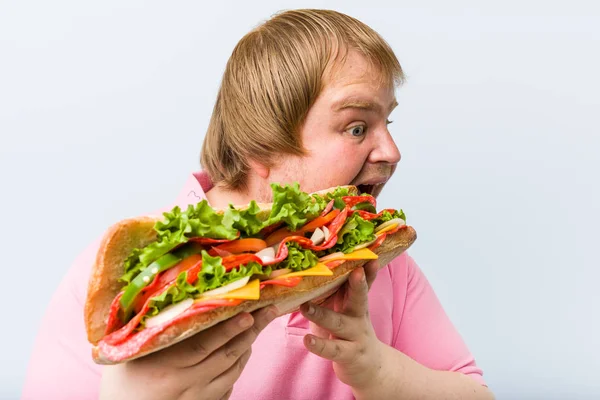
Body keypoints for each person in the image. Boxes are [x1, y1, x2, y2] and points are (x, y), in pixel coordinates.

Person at [22, 9, 494, 400]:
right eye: (356, 127)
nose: (391, 151)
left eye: (388, 123)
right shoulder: (121, 280)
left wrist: (377, 371)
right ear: (262, 150)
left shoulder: (387, 269)